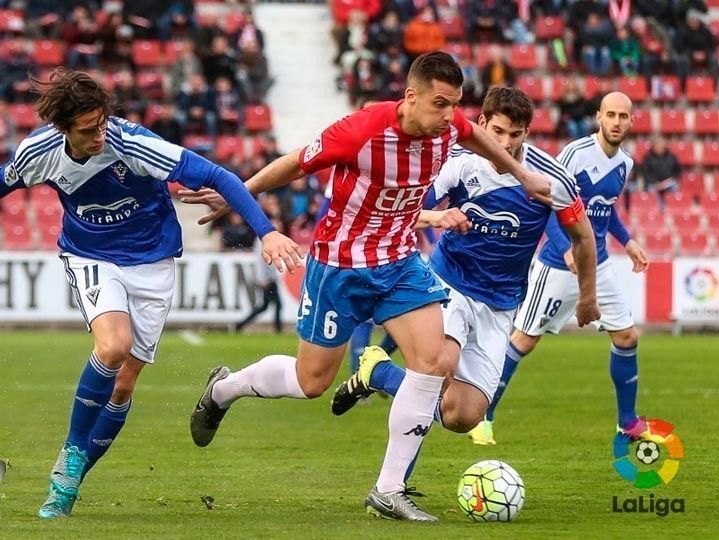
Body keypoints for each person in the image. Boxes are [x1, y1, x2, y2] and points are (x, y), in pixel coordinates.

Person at [180, 52, 552, 522]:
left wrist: (521, 174)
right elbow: (295, 164)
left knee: (434, 360)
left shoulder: (448, 124)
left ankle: (388, 489)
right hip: (341, 264)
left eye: (454, 105)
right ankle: (225, 389)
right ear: (410, 96)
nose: (447, 117)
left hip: (400, 262)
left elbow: (473, 133)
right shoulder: (362, 130)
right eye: (439, 104)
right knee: (310, 381)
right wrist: (238, 191)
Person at [0, 68, 301, 519]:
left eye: (103, 123)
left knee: (123, 385)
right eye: (87, 130)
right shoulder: (37, 153)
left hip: (153, 264)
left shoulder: (133, 143)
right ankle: (71, 456)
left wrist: (267, 232)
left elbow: (220, 176)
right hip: (91, 256)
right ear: (62, 129)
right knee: (113, 346)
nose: (100, 135)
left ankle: (70, 482)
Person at [330, 87, 599, 453]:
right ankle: (392, 489)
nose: (505, 143)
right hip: (447, 282)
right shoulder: (455, 160)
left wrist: (587, 298)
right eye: (497, 132)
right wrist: (438, 216)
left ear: (527, 133)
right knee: (438, 365)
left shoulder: (551, 179)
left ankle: (377, 372)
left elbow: (583, 237)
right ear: (482, 123)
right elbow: (405, 212)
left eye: (515, 134)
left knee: (462, 414)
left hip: (501, 303)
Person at [474, 92, 650, 445]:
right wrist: (564, 248)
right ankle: (483, 416)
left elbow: (606, 208)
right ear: (598, 117)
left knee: (627, 337)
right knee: (523, 341)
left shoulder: (625, 164)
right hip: (558, 266)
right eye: (610, 115)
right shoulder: (575, 154)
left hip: (597, 263)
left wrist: (627, 241)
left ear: (632, 122)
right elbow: (551, 201)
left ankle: (627, 423)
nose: (616, 122)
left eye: (623, 117)